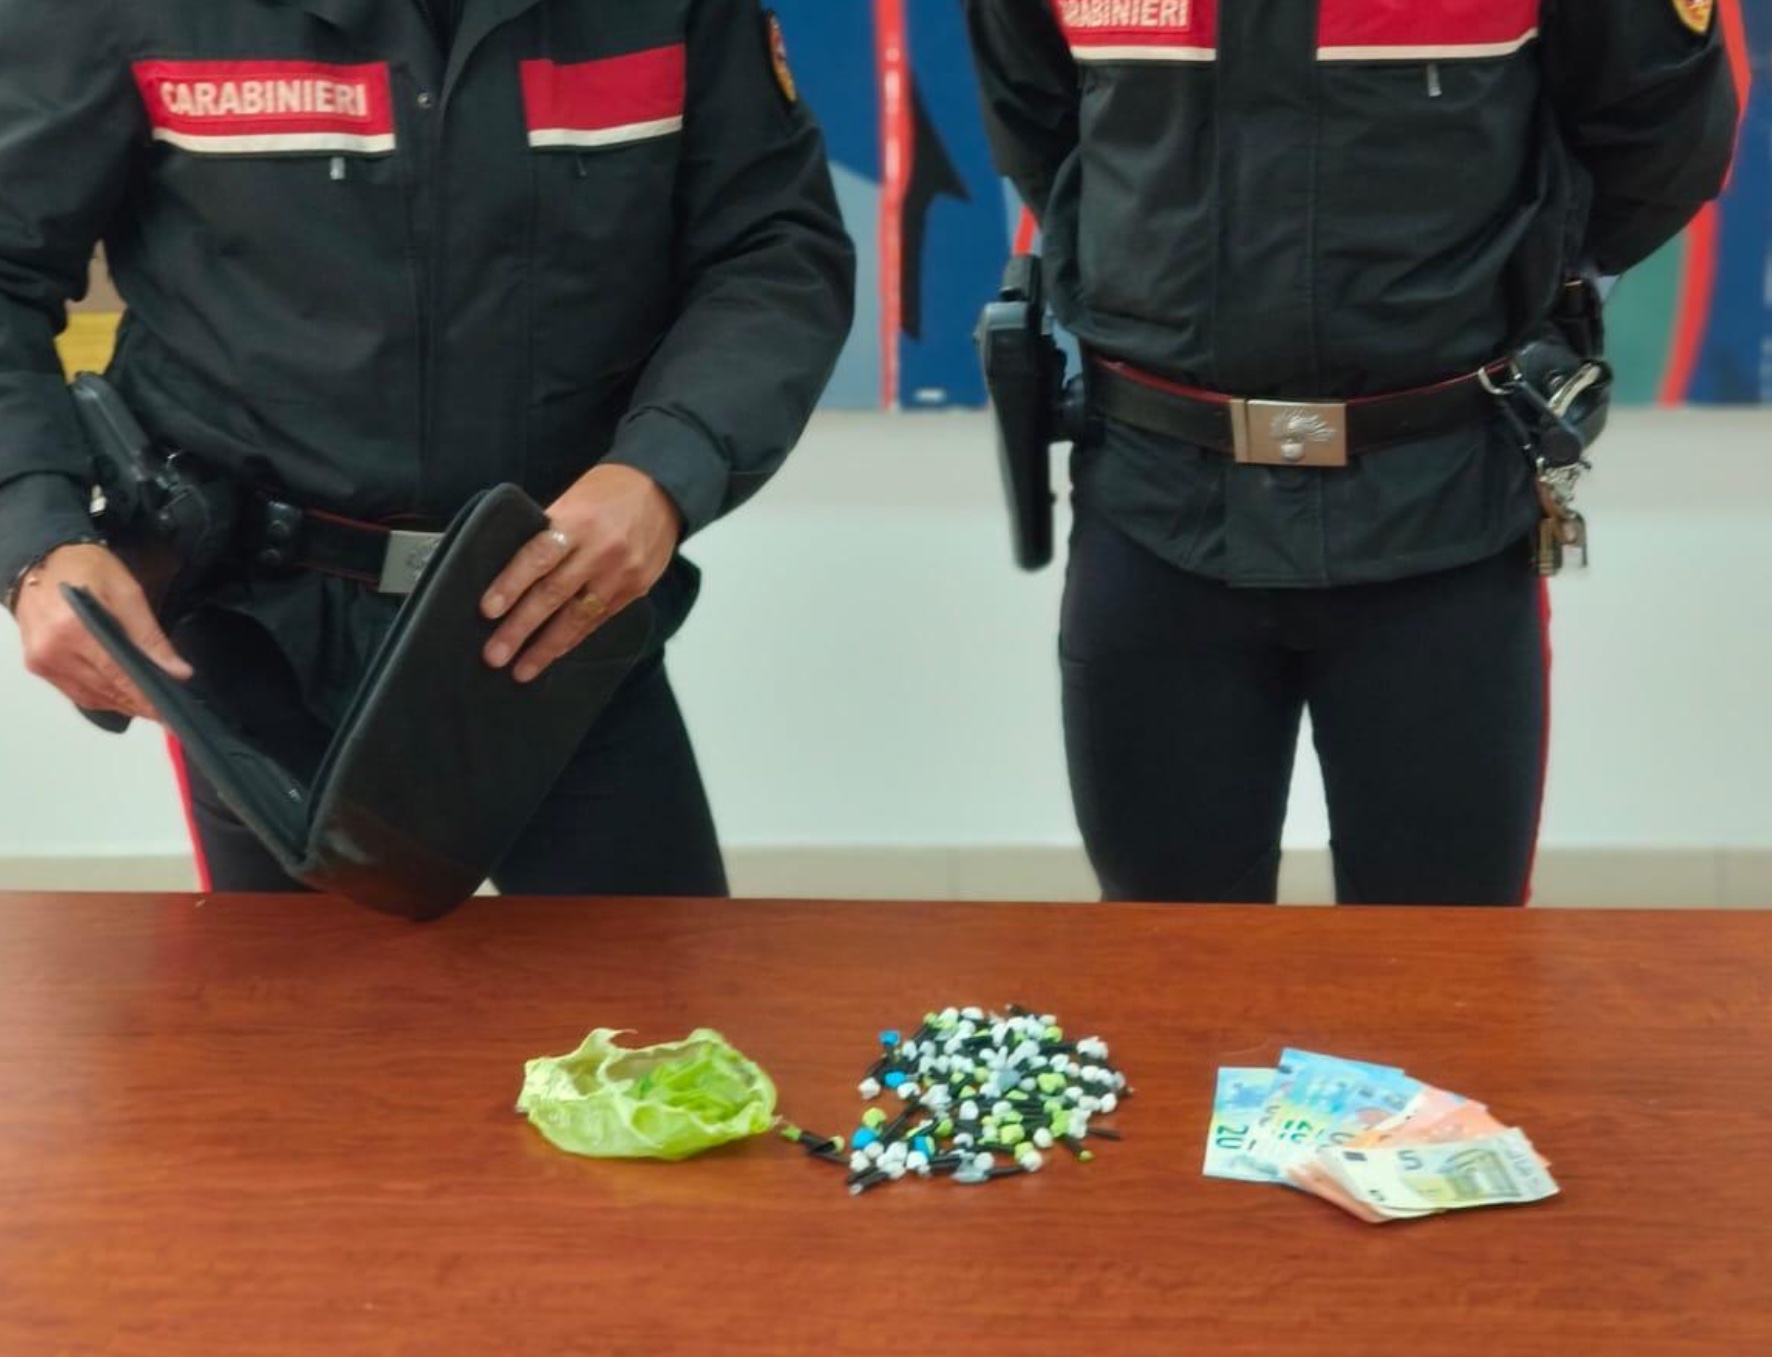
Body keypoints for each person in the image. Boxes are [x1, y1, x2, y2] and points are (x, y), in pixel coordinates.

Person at [0, 0, 854, 897]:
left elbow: (773, 249)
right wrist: (35, 534)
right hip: (255, 626)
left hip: (563, 610)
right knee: (290, 992)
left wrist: (665, 470)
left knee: (656, 985)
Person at [963, 0, 1737, 905]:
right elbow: (1039, 124)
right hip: (1155, 512)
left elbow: (1660, 140)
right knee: (1165, 959)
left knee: (1440, 963)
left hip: (1441, 517)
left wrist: (1503, 280)